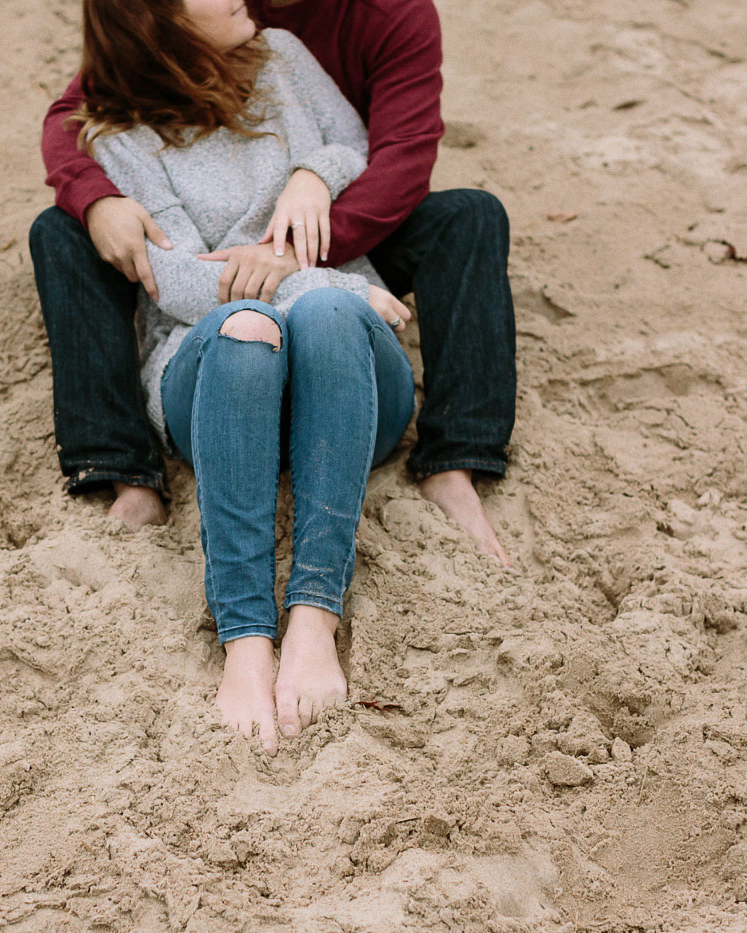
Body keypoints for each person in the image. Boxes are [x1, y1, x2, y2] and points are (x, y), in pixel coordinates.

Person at [36, 0, 419, 754]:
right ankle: (247, 638)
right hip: (212, 365)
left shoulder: (281, 55)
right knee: (252, 329)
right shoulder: (121, 138)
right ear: (157, 17)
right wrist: (320, 281)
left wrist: (313, 173)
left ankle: (314, 617)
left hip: (348, 367)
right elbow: (174, 280)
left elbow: (357, 142)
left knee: (325, 323)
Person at [31, 0, 519, 566]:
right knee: (60, 229)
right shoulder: (143, 103)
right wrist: (96, 199)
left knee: (470, 216)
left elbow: (391, 152)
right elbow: (86, 105)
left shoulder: (331, 32)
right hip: (246, 312)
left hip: (337, 232)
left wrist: (312, 183)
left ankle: (453, 464)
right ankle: (124, 473)